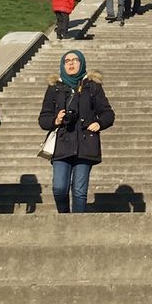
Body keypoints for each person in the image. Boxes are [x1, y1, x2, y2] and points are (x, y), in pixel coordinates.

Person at [38, 49, 115, 213]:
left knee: (79, 192)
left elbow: (108, 113)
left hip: (85, 145)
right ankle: (64, 218)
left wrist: (99, 123)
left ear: (82, 63)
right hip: (62, 144)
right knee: (59, 188)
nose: (71, 63)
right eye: (67, 61)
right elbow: (43, 118)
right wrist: (56, 120)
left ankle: (77, 225)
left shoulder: (92, 86)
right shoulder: (55, 88)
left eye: (75, 60)